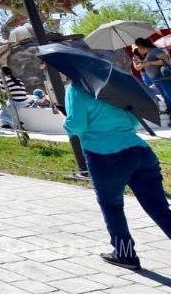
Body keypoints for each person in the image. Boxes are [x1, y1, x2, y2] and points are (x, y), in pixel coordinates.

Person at [63, 80, 171, 270]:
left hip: (104, 156)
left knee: (112, 207)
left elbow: (77, 126)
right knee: (159, 208)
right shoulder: (114, 84)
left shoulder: (75, 88)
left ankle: (125, 255)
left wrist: (66, 119)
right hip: (139, 151)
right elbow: (133, 119)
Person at [132, 38, 171, 115]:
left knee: (169, 95)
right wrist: (144, 63)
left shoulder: (156, 51)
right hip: (157, 79)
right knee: (165, 97)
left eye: (138, 47)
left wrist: (149, 63)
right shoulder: (150, 53)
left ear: (142, 46)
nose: (138, 50)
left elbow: (166, 61)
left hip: (163, 78)